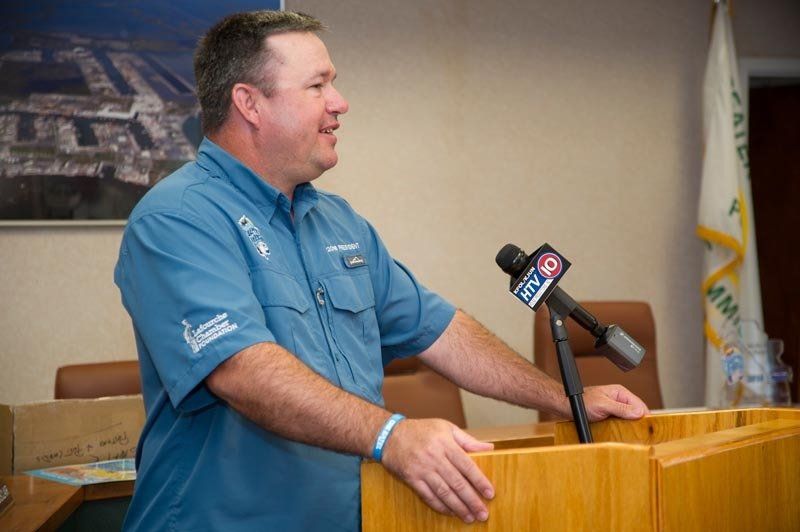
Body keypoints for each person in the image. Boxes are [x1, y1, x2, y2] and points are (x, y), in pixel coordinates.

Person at [114, 10, 649, 531]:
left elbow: (441, 332)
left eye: (335, 84)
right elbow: (241, 370)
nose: (340, 103)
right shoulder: (177, 218)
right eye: (318, 86)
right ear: (249, 103)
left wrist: (564, 399)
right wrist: (391, 434)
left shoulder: (338, 222)